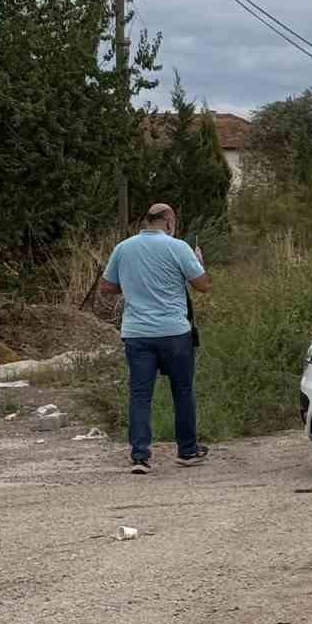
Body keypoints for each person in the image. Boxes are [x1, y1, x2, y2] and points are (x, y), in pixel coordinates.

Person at [99, 203, 212, 474]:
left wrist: (132, 285)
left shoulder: (123, 248)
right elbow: (203, 286)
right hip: (174, 332)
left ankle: (140, 456)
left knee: (140, 395)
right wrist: (199, 263)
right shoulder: (179, 247)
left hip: (137, 333)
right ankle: (186, 450)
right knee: (182, 391)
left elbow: (107, 286)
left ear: (147, 221)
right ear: (169, 222)